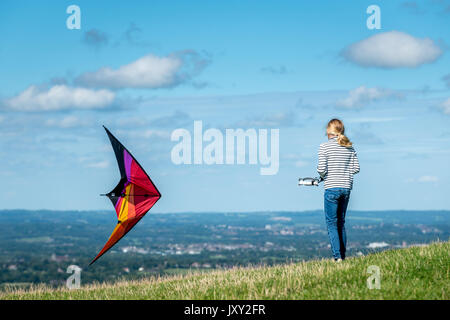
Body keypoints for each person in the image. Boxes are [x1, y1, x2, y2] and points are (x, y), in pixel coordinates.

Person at [317, 119, 360, 262]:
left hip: (331, 188)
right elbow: (356, 169)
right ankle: (343, 256)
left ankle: (337, 258)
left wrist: (324, 176)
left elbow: (321, 170)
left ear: (328, 132)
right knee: (341, 222)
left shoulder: (324, 147)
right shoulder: (350, 147)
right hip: (346, 188)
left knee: (331, 223)